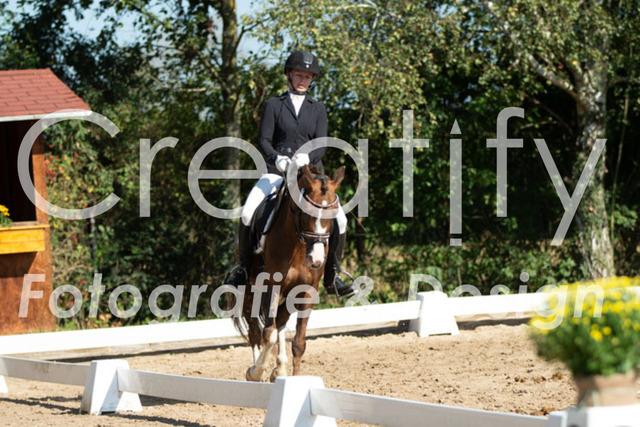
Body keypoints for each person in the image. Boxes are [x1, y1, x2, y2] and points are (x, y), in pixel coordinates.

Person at [226, 50, 358, 299]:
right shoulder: (274, 105)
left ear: (312, 80)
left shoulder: (318, 109)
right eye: (299, 75)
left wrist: (308, 157)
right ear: (289, 75)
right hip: (277, 172)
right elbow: (264, 140)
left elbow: (322, 144)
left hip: (311, 176)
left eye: (307, 77)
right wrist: (278, 158)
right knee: (247, 212)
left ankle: (333, 276)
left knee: (341, 220)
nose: (302, 80)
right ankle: (242, 270)